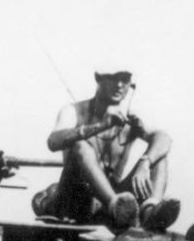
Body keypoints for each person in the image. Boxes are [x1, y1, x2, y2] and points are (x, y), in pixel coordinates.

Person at [40, 69, 180, 231]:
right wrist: (102, 125)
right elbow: (53, 141)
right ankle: (115, 204)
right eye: (113, 79)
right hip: (77, 201)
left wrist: (146, 161)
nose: (119, 85)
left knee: (158, 155)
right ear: (98, 79)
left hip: (117, 206)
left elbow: (164, 138)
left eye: (125, 79)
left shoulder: (130, 118)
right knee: (81, 146)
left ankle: (150, 212)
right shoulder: (74, 111)